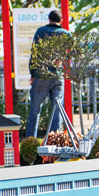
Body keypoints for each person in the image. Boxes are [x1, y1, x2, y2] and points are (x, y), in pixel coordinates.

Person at [27, 10, 71, 138]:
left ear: (49, 19)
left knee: (35, 110)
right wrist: (62, 60)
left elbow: (34, 54)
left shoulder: (40, 31)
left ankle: (31, 140)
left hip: (41, 75)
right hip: (58, 76)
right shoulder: (66, 34)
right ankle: (54, 140)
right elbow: (74, 52)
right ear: (61, 21)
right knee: (57, 110)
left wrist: (33, 74)